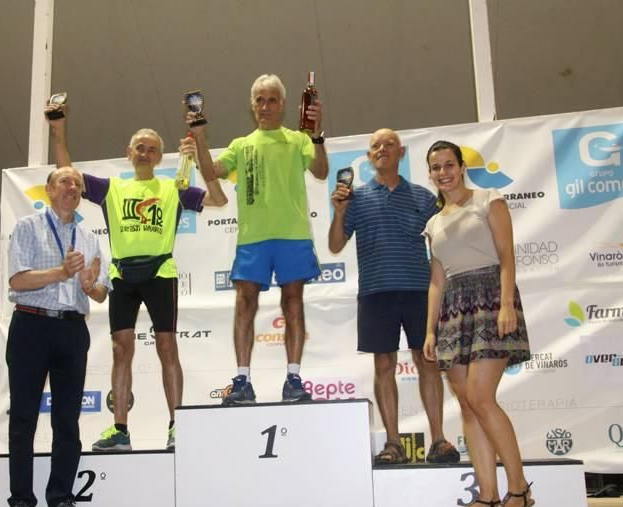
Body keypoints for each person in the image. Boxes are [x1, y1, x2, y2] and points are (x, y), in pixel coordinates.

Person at [46, 99, 227, 452]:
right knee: (120, 349)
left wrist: (201, 156)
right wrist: (59, 130)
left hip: (161, 271)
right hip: (123, 276)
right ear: (129, 152)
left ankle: (178, 426)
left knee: (166, 346)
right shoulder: (113, 188)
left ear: (161, 158)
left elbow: (219, 200)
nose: (145, 153)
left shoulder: (173, 187)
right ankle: (120, 430)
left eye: (153, 150)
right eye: (140, 148)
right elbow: (66, 173)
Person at [194, 74, 328, 404]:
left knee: (293, 304)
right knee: (244, 305)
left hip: (292, 235)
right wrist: (199, 137)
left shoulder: (298, 139)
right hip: (253, 239)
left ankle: (294, 379)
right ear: (252, 106)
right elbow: (211, 172)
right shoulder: (241, 145)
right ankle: (242, 382)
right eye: (259, 100)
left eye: (271, 100)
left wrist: (318, 135)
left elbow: (322, 172)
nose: (265, 106)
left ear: (282, 105)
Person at [328, 129, 460, 465]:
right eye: (375, 146)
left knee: (427, 362)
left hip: (419, 291)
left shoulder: (424, 197)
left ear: (401, 153)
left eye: (389, 145)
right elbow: (334, 245)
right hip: (375, 292)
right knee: (383, 365)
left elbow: (440, 249)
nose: (382, 149)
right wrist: (340, 212)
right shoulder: (354, 198)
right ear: (369, 155)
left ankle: (439, 440)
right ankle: (393, 444)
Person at [422, 140, 533, 507]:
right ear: (431, 173)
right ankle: (486, 495)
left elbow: (507, 257)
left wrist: (505, 305)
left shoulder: (489, 200)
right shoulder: (433, 223)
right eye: (436, 167)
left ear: (461, 166)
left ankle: (519, 489)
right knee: (468, 404)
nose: (443, 173)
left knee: (481, 396)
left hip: (490, 301)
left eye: (448, 164)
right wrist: (430, 331)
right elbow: (436, 281)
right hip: (452, 310)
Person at [6, 166, 110, 507]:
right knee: (23, 417)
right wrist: (61, 273)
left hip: (71, 330)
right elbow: (18, 280)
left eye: (78, 184)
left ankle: (61, 501)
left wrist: (89, 284)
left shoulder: (90, 238)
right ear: (49, 190)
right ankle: (20, 502)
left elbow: (99, 293)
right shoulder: (27, 228)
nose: (73, 187)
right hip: (31, 325)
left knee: (67, 420)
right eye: (65, 182)